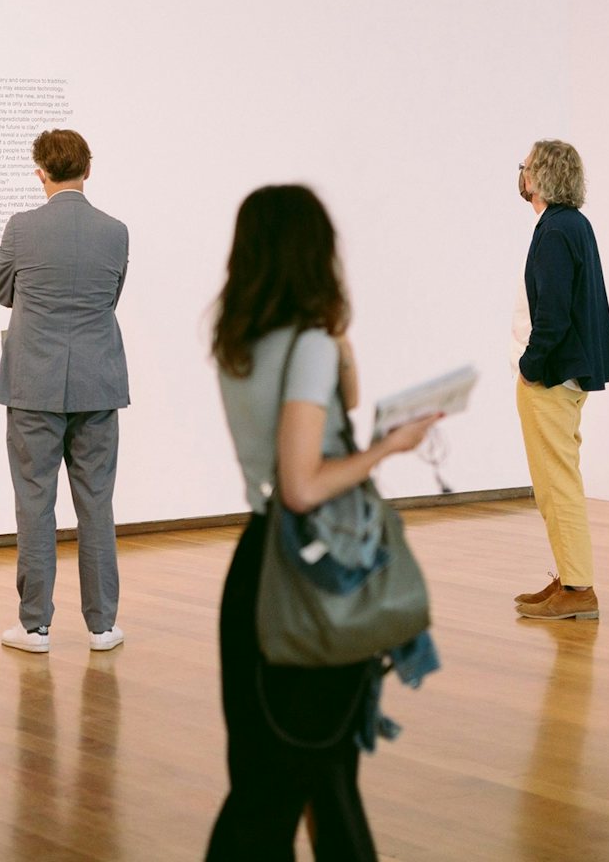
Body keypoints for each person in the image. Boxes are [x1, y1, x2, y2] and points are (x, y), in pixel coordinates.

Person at [207, 185, 438, 860]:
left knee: (287, 770)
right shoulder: (308, 344)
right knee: (288, 785)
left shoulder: (238, 338)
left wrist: (335, 336)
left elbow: (347, 397)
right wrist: (388, 450)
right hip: (311, 569)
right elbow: (303, 484)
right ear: (317, 253)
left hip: (255, 568)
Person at [0, 128, 130, 654]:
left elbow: (1, 288)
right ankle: (102, 627)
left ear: (40, 172)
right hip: (98, 382)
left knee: (34, 502)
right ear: (87, 170)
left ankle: (34, 627)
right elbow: (112, 295)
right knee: (97, 503)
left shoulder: (22, 228)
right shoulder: (114, 231)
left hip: (33, 383)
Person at [512, 140, 609, 621]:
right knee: (556, 482)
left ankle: (578, 589)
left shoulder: (556, 231)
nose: (521, 173)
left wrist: (530, 367)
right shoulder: (570, 225)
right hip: (568, 375)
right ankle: (570, 577)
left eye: (526, 166)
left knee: (556, 484)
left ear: (540, 176)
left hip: (551, 378)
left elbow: (553, 317)